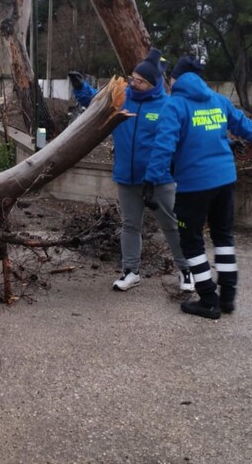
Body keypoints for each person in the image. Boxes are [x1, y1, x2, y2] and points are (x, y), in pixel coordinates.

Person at [143, 55, 252, 319]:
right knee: (223, 237)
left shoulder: (175, 106)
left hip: (194, 186)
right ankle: (228, 296)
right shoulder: (218, 100)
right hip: (224, 180)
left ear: (175, 78)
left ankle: (208, 299)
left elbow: (163, 147)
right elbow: (244, 126)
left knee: (191, 241)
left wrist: (151, 181)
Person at [68, 49, 194, 293]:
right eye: (132, 77)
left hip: (160, 180)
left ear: (152, 83)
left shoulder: (168, 105)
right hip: (127, 177)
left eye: (139, 80)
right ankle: (130, 271)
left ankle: (186, 270)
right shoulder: (123, 97)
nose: (133, 82)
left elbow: (183, 137)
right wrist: (80, 87)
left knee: (171, 225)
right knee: (130, 225)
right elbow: (95, 101)